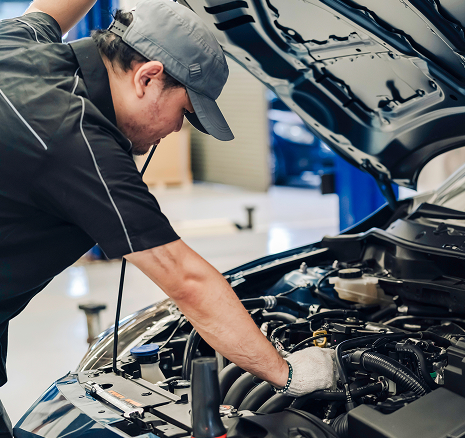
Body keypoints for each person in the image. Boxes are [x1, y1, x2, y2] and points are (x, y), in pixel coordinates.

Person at [0, 0, 335, 432]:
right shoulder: (78, 142)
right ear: (148, 77)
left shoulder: (19, 41)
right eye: (184, 112)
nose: (176, 129)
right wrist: (290, 374)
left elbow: (47, 7)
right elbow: (187, 279)